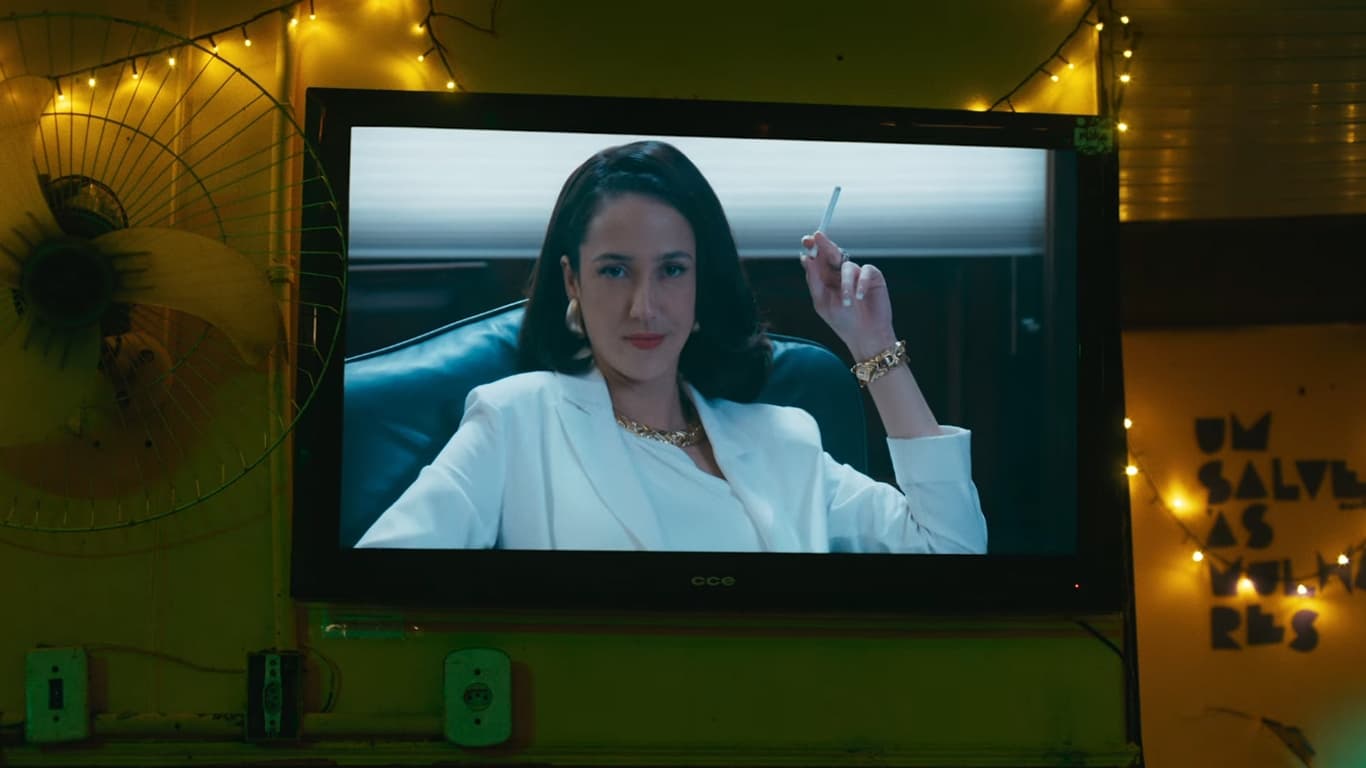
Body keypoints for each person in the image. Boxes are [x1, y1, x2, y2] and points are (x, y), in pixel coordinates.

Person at [356, 140, 986, 553]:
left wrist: (872, 343)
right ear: (571, 280)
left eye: (672, 269)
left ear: (701, 281)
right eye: (614, 270)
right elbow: (378, 580)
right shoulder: (515, 418)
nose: (645, 307)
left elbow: (950, 550)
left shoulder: (784, 440)